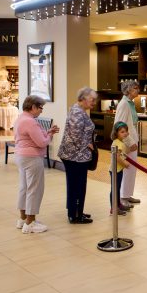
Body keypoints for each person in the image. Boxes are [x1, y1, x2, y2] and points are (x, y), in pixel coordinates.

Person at [14, 95, 59, 233]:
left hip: (21, 156)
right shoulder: (30, 122)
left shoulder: (21, 118)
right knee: (34, 189)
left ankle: (23, 219)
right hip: (32, 158)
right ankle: (31, 222)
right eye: (40, 108)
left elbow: (32, 137)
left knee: (24, 188)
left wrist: (47, 132)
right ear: (33, 107)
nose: (41, 111)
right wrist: (50, 135)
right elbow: (42, 142)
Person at [58, 87, 97, 224]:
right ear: (83, 98)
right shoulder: (77, 112)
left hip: (75, 155)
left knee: (76, 185)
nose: (94, 103)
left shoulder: (79, 110)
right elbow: (75, 135)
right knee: (78, 185)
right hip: (75, 156)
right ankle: (75, 215)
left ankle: (76, 211)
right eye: (92, 100)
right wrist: (88, 144)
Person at [114, 80, 141, 209]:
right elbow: (119, 125)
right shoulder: (124, 104)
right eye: (135, 88)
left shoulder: (130, 103)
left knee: (132, 170)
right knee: (126, 169)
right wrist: (129, 142)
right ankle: (123, 197)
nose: (138, 90)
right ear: (128, 90)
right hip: (127, 142)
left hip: (133, 139)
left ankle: (128, 194)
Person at [109, 122, 133, 216]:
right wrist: (125, 164)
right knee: (114, 189)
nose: (125, 133)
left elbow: (123, 153)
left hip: (118, 169)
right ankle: (114, 208)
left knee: (117, 188)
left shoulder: (120, 142)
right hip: (115, 170)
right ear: (116, 133)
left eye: (126, 131)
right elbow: (117, 157)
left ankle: (118, 205)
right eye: (122, 132)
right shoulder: (117, 143)